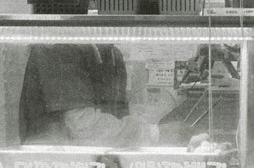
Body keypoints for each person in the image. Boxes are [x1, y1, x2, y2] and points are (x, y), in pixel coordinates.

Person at [19, 44, 160, 148]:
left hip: (96, 164)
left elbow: (118, 116)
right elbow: (82, 126)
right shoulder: (59, 45)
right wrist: (152, 132)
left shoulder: (112, 54)